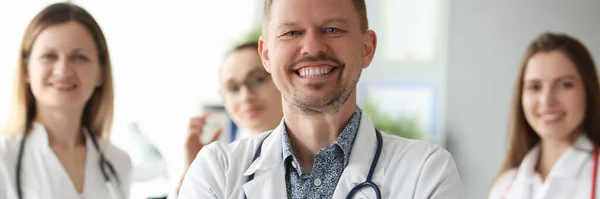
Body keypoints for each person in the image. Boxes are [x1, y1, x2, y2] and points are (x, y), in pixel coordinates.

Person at [178, 0, 463, 198]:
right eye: (291, 32)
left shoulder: (425, 171)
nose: (312, 47)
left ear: (367, 47)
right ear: (266, 54)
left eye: (333, 29)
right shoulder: (217, 172)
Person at [0, 3, 132, 199]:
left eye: (79, 57)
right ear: (27, 70)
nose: (63, 70)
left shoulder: (117, 162)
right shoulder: (4, 157)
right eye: (49, 56)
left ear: (100, 74)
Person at [488, 32, 600, 199]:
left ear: (588, 91)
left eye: (564, 84)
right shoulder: (504, 187)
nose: (547, 100)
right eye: (534, 87)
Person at [171, 41, 284, 197]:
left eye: (258, 80)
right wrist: (193, 170)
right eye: (233, 89)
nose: (246, 97)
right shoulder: (219, 164)